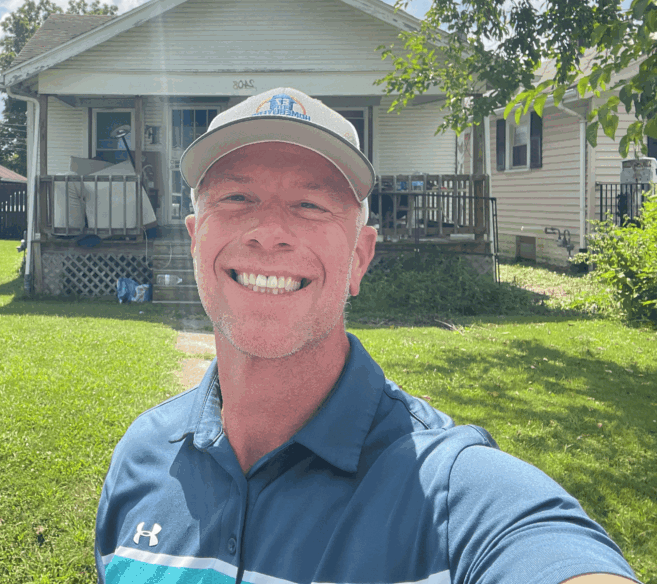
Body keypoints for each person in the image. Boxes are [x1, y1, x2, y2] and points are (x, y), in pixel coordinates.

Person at [95, 88, 640, 584]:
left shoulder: (450, 491)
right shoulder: (142, 457)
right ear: (195, 239)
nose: (269, 231)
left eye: (310, 204)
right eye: (236, 198)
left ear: (360, 257)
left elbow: (544, 551)